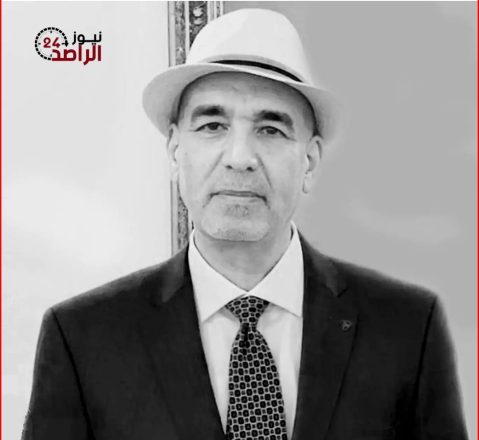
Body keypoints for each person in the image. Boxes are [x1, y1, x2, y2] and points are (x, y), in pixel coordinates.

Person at [23, 9, 468, 440]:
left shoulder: (407, 328)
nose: (239, 158)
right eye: (212, 125)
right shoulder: (82, 338)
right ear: (175, 151)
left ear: (310, 161)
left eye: (271, 130)